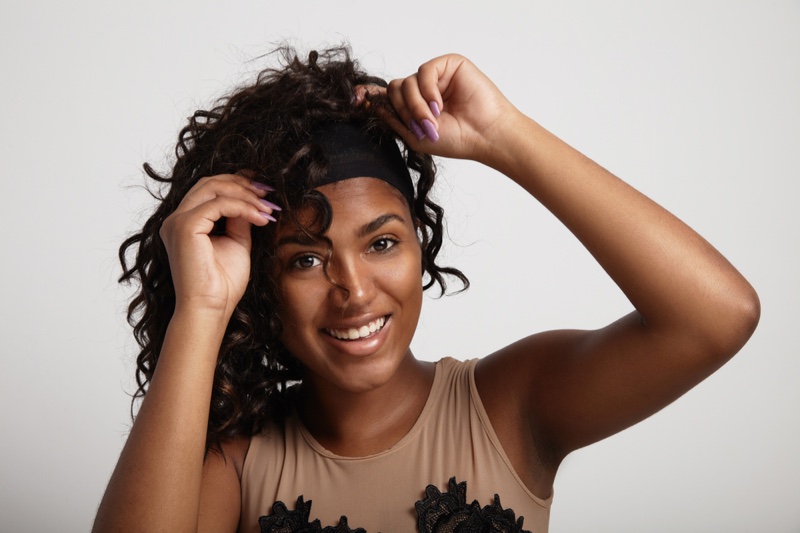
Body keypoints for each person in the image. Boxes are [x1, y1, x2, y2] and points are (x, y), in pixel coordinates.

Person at [93, 47, 760, 533]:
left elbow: (717, 317)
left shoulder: (510, 406)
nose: (353, 290)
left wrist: (506, 137)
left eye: (382, 243)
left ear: (420, 246)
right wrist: (203, 309)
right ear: (262, 283)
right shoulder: (237, 462)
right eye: (304, 259)